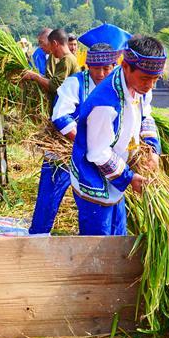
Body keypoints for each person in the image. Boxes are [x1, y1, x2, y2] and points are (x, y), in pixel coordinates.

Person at [28, 24, 130, 235]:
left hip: (102, 156)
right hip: (66, 150)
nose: (101, 74)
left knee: (109, 199)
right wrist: (82, 140)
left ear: (114, 66)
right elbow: (60, 115)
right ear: (88, 65)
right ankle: (38, 236)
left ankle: (114, 242)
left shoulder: (118, 87)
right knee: (49, 194)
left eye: (107, 69)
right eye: (96, 69)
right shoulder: (76, 83)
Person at [69, 35, 165, 235]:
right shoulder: (105, 103)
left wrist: (153, 150)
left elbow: (146, 115)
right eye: (146, 79)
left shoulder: (140, 86)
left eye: (155, 79)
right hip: (93, 179)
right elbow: (98, 153)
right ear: (126, 66)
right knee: (98, 244)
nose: (150, 85)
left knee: (118, 234)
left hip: (116, 175)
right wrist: (129, 178)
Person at [22, 28, 80, 105]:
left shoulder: (67, 60)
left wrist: (34, 76)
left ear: (55, 43)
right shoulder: (66, 59)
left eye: (50, 45)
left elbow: (54, 86)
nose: (50, 49)